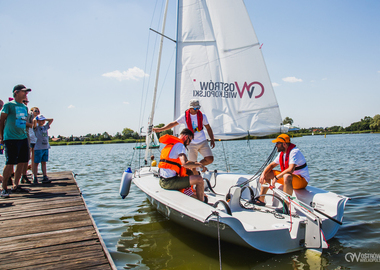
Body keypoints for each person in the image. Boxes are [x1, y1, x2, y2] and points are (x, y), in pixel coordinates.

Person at [153, 99, 215, 170]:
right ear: (190, 108)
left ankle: (198, 165)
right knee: (192, 165)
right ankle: (196, 170)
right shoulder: (184, 116)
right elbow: (173, 124)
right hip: (191, 144)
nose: (196, 110)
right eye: (195, 108)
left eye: (198, 108)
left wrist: (212, 139)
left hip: (202, 141)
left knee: (210, 159)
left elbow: (208, 128)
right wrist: (161, 129)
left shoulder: (202, 116)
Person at [256, 134, 310, 206]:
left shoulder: (294, 152)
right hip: (289, 179)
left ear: (284, 144)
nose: (276, 145)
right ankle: (261, 200)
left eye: (277, 143)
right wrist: (263, 174)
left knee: (287, 176)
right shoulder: (282, 153)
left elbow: (290, 170)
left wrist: (276, 177)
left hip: (302, 181)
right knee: (267, 173)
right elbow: (271, 165)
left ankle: (286, 206)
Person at [0, 84, 32, 198]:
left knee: (23, 162)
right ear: (16, 92)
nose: (26, 94)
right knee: (10, 163)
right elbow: (2, 120)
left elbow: (23, 122)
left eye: (26, 92)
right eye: (24, 92)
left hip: (22, 137)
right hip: (10, 138)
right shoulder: (9, 105)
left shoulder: (24, 107)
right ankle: (4, 188)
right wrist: (1, 136)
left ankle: (16, 185)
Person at [158, 128, 206, 201]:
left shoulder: (171, 144)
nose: (188, 144)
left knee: (190, 173)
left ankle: (193, 194)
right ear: (186, 137)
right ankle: (202, 204)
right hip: (170, 182)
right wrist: (200, 164)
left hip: (162, 181)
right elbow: (185, 164)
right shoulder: (180, 145)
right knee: (199, 179)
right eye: (189, 140)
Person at [33, 114, 53, 184]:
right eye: (41, 120)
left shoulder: (45, 127)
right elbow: (34, 122)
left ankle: (45, 176)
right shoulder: (36, 128)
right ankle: (35, 177)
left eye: (43, 120)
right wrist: (37, 119)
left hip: (45, 147)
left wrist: (45, 119)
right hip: (38, 148)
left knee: (44, 162)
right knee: (36, 163)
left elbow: (51, 120)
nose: (42, 122)